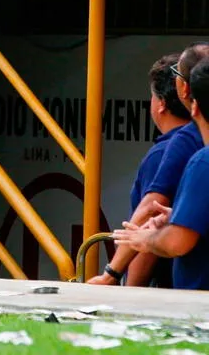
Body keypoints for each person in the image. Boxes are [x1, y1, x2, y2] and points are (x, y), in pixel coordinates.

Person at [88, 41, 209, 285]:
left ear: (189, 97)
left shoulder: (198, 159)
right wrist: (180, 216)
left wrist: (144, 242)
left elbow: (170, 234)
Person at [124, 54, 189, 287]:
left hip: (171, 285)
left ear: (160, 103)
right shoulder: (197, 143)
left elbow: (149, 225)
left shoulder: (164, 153)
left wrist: (127, 290)